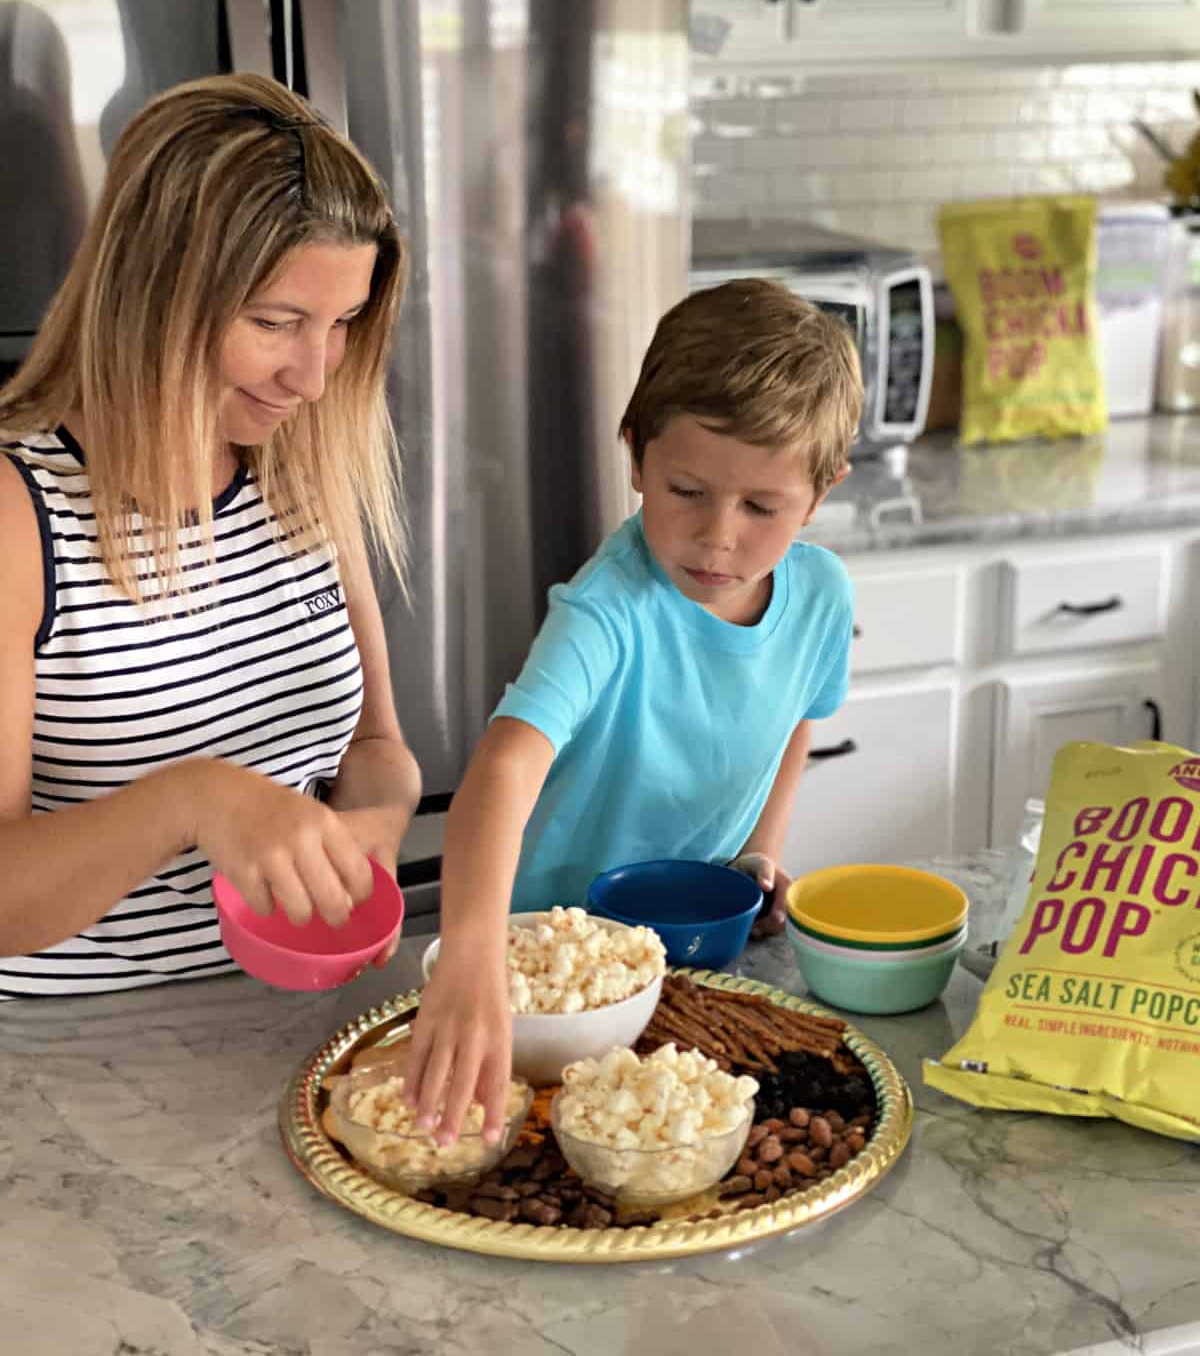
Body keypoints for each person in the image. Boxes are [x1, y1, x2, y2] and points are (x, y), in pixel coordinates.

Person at [407, 278, 863, 1141]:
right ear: (635, 456)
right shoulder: (607, 608)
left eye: (762, 507)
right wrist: (471, 960)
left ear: (821, 492)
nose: (718, 535)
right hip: (556, 973)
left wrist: (761, 849)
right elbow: (507, 763)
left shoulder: (821, 596)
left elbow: (800, 712)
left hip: (695, 948)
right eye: (686, 490)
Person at [0, 72, 422, 996]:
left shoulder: (303, 470)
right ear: (152, 295)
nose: (314, 377)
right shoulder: (19, 516)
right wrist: (196, 798)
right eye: (277, 322)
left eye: (342, 323)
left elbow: (376, 751)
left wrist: (375, 828)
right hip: (74, 1051)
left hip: (298, 1011)